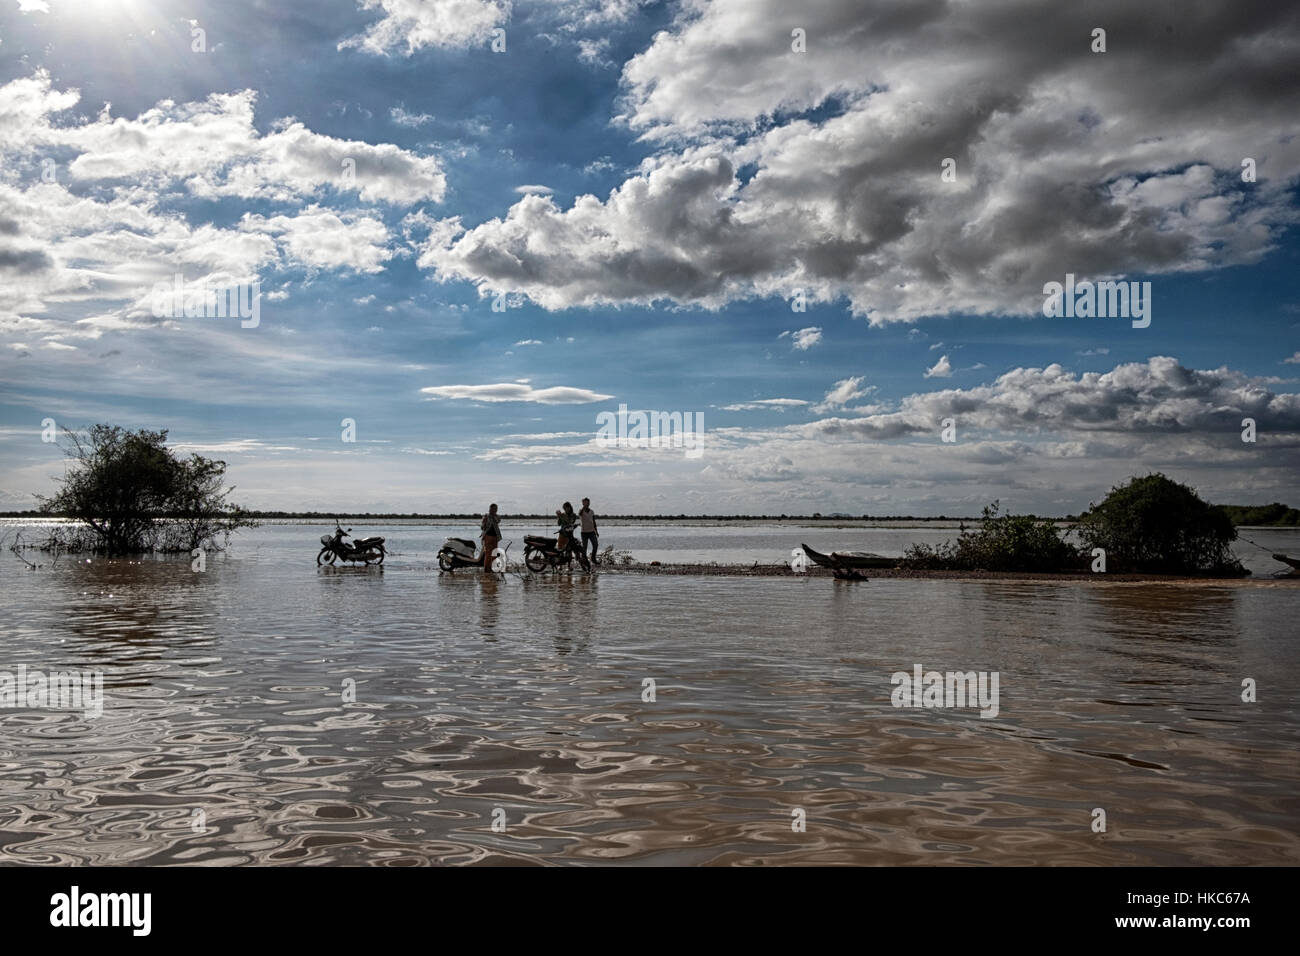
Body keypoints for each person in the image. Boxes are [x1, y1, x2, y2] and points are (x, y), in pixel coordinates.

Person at [557, 501, 589, 571]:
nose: (565, 510)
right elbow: (559, 524)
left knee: (569, 551)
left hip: (569, 535)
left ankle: (569, 566)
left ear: (569, 507)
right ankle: (560, 566)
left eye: (566, 508)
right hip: (562, 534)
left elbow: (570, 522)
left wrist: (561, 517)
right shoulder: (562, 515)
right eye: (564, 508)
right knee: (560, 550)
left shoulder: (573, 515)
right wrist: (559, 517)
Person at [480, 503, 501, 570]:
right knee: (488, 553)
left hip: (495, 537)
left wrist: (493, 516)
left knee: (494, 552)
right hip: (488, 536)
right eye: (494, 509)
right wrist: (484, 521)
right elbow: (482, 527)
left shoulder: (497, 516)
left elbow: (498, 521)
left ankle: (492, 567)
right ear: (490, 509)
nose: (495, 510)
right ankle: (486, 568)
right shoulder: (486, 516)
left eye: (496, 509)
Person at [579, 497, 599, 565]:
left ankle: (593, 558)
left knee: (595, 545)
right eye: (585, 502)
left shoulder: (592, 511)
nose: (587, 504)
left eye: (587, 502)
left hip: (592, 532)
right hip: (584, 532)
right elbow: (580, 514)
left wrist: (596, 531)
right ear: (583, 503)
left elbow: (593, 521)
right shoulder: (581, 510)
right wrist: (583, 507)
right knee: (584, 547)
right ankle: (583, 560)